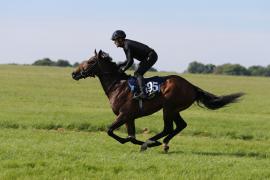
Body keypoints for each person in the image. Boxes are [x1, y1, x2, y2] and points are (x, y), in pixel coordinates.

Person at [111, 30, 158, 99]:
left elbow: (130, 62)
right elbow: (128, 60)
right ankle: (142, 89)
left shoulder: (127, 45)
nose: (114, 43)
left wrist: (123, 70)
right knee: (137, 73)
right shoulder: (126, 44)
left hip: (151, 56)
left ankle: (144, 93)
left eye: (115, 40)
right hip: (148, 56)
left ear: (120, 39)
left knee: (138, 73)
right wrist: (118, 65)